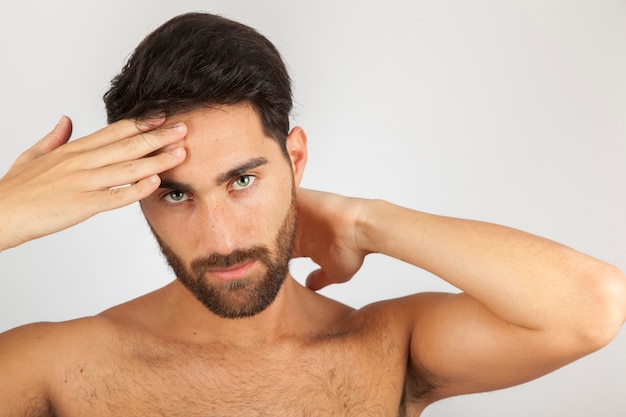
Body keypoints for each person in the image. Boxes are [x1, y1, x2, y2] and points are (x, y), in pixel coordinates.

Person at [0, 12, 624, 417]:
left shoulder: (386, 347)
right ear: (135, 190)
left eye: (242, 180)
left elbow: (592, 308)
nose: (219, 238)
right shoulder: (62, 365)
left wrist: (362, 222)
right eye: (176, 193)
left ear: (294, 159)